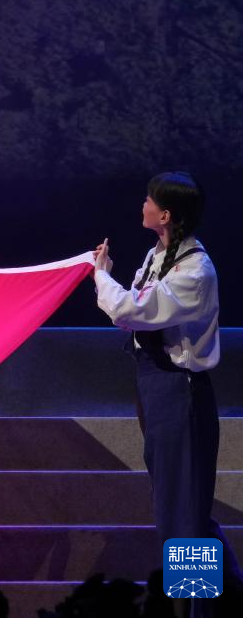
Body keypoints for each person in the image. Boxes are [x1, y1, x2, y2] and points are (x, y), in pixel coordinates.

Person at [93, 171, 240, 617]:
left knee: (182, 513)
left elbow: (131, 310)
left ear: (166, 215)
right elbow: (136, 310)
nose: (143, 204)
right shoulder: (158, 255)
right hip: (154, 385)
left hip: (180, 393)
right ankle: (225, 598)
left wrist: (101, 277)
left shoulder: (195, 271)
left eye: (149, 200)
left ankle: (196, 611)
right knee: (182, 508)